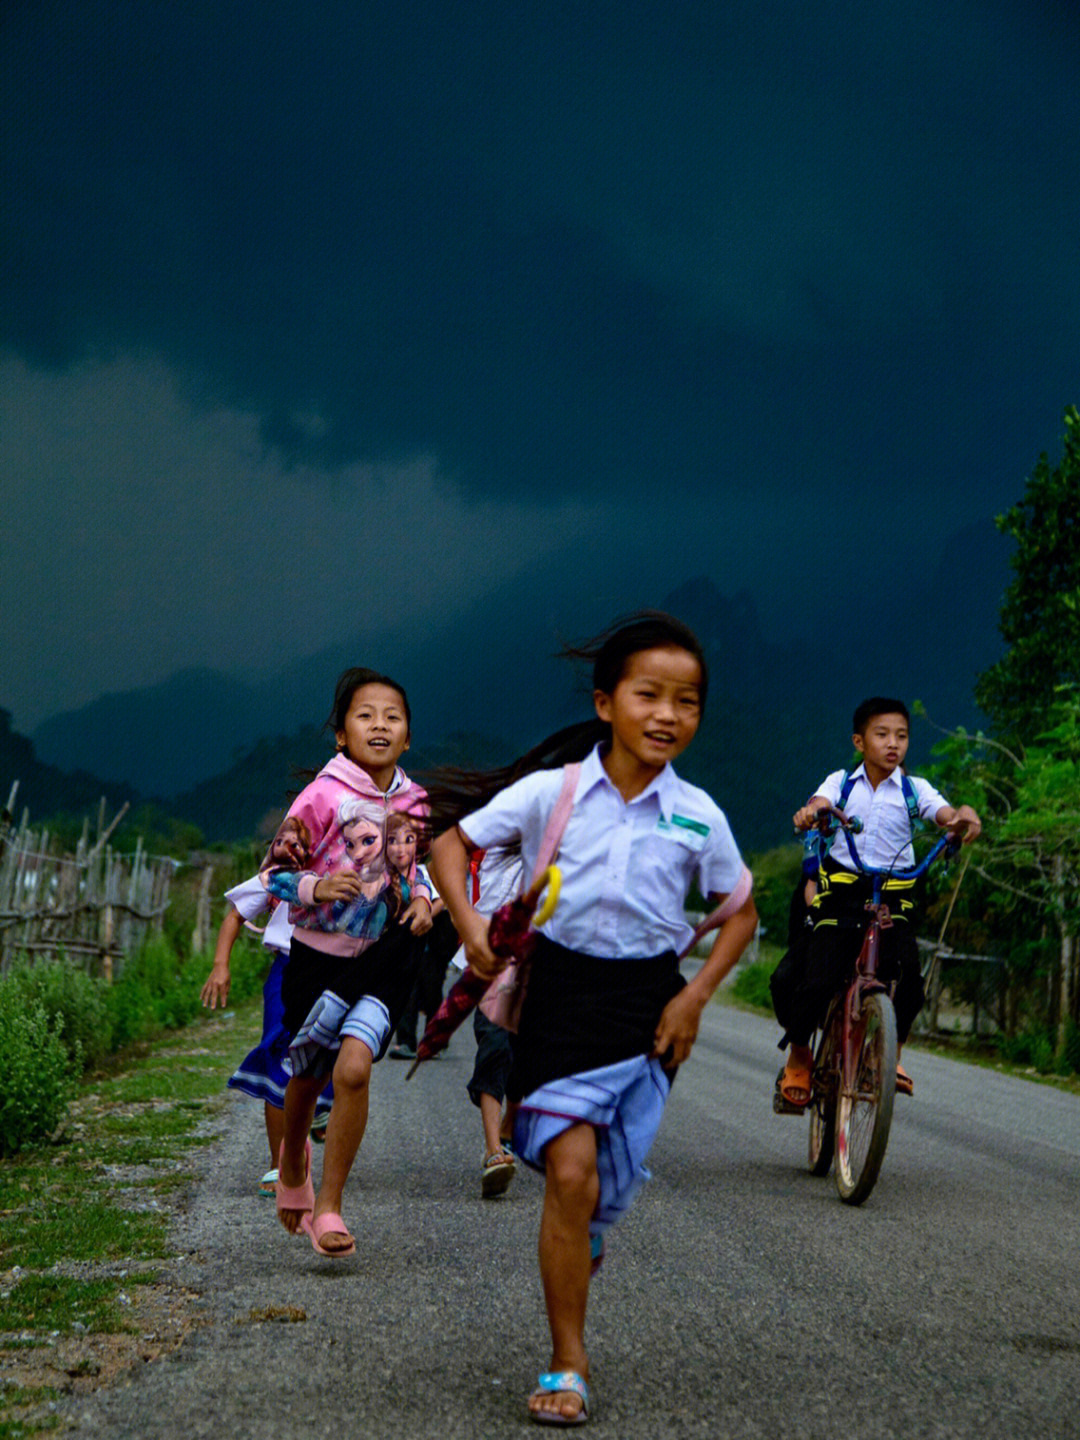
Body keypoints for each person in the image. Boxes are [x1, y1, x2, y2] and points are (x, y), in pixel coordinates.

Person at [428, 612, 757, 1426]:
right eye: (649, 694)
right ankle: (566, 1362)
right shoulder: (554, 794)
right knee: (570, 1175)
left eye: (687, 701)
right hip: (561, 998)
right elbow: (449, 845)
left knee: (600, 1184)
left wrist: (693, 997)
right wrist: (472, 932)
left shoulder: (699, 816)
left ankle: (583, 1235)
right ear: (608, 703)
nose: (667, 715)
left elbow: (740, 910)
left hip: (647, 1008)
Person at [271, 667, 433, 1258]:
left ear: (408, 736)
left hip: (387, 959)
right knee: (310, 1074)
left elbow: (417, 868)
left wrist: (422, 898)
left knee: (355, 1069)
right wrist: (316, 888)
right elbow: (274, 874)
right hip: (317, 960)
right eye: (366, 715)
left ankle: (330, 1205)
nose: (381, 725)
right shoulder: (321, 795)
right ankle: (293, 1157)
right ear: (341, 734)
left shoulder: (415, 800)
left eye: (393, 716)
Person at [772, 697, 981, 1107]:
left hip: (893, 901)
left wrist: (963, 818)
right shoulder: (841, 784)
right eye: (882, 735)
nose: (893, 744)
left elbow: (945, 812)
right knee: (815, 982)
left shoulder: (913, 789)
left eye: (901, 736)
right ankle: (799, 1057)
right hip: (842, 897)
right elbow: (820, 804)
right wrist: (812, 812)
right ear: (859, 741)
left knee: (912, 986)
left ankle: (890, 1056)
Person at [200, 815, 332, 1196]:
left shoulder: (332, 872)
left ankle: (321, 1105)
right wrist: (220, 966)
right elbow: (234, 918)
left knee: (330, 1054)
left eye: (299, 839)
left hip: (329, 969)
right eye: (281, 838)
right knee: (279, 1055)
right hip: (285, 971)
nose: (289, 843)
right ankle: (279, 1165)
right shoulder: (271, 880)